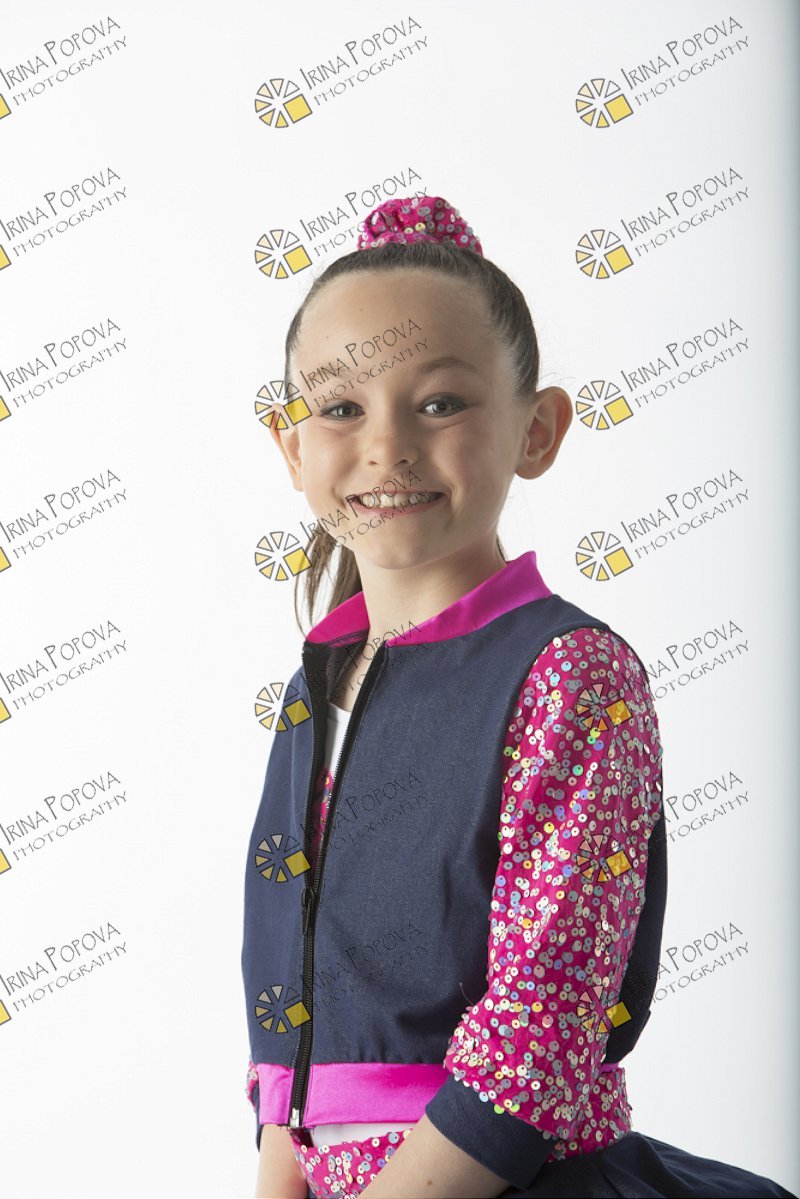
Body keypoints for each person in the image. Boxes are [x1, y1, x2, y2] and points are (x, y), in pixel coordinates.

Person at [241, 196, 795, 1199]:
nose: (386, 446)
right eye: (341, 408)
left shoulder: (570, 674)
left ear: (535, 430)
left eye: (439, 403)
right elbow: (294, 999)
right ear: (292, 449)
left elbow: (539, 1026)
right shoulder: (318, 683)